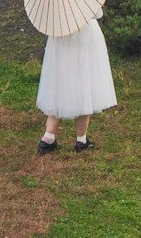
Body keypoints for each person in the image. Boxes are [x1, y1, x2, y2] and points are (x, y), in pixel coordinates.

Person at [38, 15, 116, 154]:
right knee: (84, 82)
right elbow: (96, 11)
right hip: (85, 34)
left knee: (59, 83)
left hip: (60, 31)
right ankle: (81, 140)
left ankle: (48, 138)